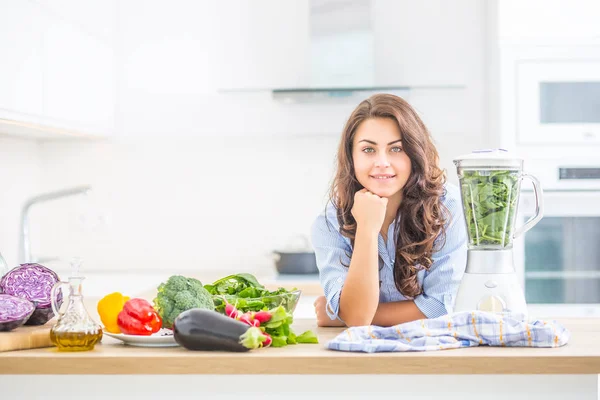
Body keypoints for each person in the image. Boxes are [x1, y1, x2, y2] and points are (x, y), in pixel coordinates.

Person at [311, 93, 467, 327]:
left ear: (415, 153)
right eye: (368, 150)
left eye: (396, 149)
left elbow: (440, 308)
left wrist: (342, 315)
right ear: (351, 157)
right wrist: (366, 227)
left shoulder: (446, 206)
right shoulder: (330, 222)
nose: (382, 162)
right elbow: (355, 317)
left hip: (432, 356)